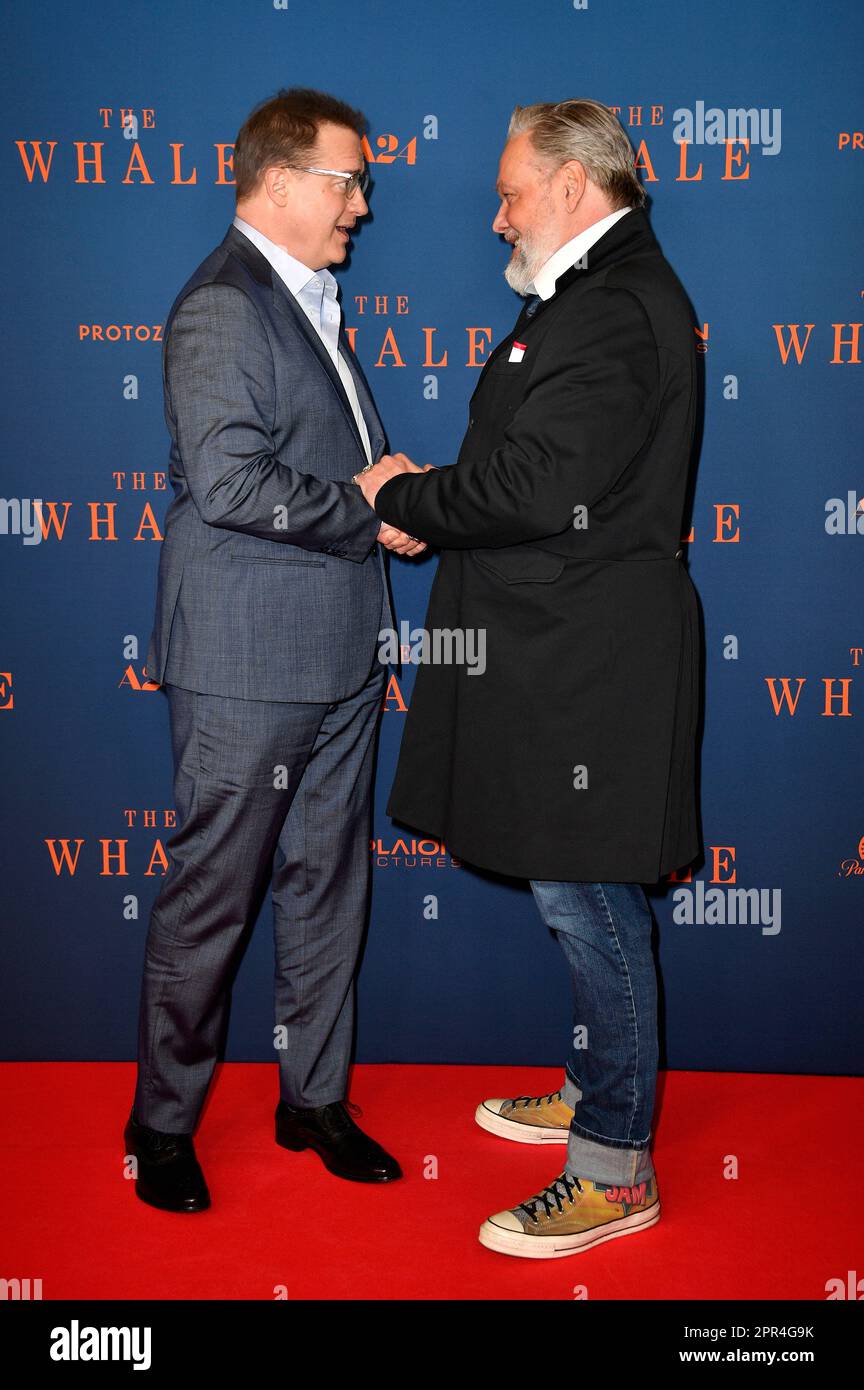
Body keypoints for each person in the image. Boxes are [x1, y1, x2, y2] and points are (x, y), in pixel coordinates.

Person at [356, 99, 703, 1258]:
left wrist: (402, 498)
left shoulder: (610, 312)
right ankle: (603, 1081)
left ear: (570, 187)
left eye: (510, 191)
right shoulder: (589, 300)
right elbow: (527, 470)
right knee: (577, 893)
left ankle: (614, 1166)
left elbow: (532, 491)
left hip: (586, 666)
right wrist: (432, 498)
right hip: (564, 653)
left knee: (591, 897)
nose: (496, 213)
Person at [125, 87, 425, 1212]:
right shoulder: (221, 305)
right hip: (248, 661)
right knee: (214, 896)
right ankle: (161, 1123)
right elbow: (234, 480)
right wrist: (365, 505)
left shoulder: (310, 299)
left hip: (346, 652)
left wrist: (391, 503)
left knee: (326, 890)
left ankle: (312, 1098)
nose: (363, 202)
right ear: (282, 181)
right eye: (350, 179)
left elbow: (337, 469)